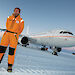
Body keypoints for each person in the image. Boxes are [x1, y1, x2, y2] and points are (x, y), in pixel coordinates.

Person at [0, 8, 24, 72]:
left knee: (11, 51)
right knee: (1, 49)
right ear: (14, 11)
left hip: (14, 36)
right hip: (7, 35)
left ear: (19, 12)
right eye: (15, 10)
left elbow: (21, 29)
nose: (16, 11)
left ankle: (10, 66)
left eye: (17, 11)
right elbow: (7, 24)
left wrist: (15, 34)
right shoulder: (9, 17)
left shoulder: (21, 20)